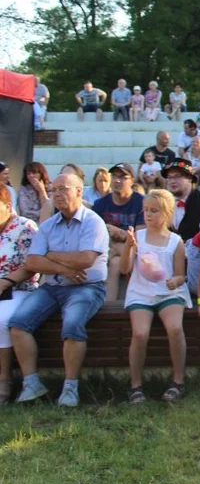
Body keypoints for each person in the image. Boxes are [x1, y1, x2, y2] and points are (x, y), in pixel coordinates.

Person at [9, 173, 109, 407]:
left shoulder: (93, 222)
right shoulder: (48, 225)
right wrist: (62, 269)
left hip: (87, 287)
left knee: (72, 325)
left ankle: (70, 388)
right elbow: (33, 263)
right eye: (54, 190)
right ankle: (32, 384)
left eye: (63, 189)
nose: (58, 195)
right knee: (18, 324)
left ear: (79, 191)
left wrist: (51, 256)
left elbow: (85, 259)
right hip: (52, 287)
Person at [119, 189, 190, 403]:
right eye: (146, 210)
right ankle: (135, 385)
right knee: (140, 333)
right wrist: (128, 247)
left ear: (166, 213)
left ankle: (178, 381)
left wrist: (176, 280)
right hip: (141, 292)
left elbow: (180, 275)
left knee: (175, 328)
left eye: (154, 211)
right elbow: (124, 269)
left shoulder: (175, 241)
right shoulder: (137, 237)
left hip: (169, 293)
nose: (148, 215)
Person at [0, 185, 39, 404]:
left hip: (19, 289)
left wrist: (4, 282)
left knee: (2, 318)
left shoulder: (24, 226)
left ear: (7, 206)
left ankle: (4, 378)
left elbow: (31, 265)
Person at [92, 163, 145, 302]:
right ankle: (109, 306)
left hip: (132, 249)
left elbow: (141, 239)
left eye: (122, 177)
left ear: (132, 181)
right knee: (114, 262)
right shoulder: (100, 204)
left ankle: (109, 305)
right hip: (108, 250)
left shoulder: (142, 202)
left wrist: (120, 233)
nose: (117, 180)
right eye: (114, 176)